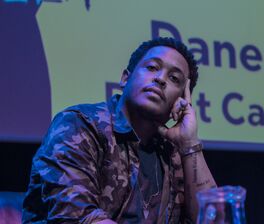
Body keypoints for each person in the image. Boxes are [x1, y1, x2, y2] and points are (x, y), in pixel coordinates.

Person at [22, 37, 217, 224]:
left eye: (174, 78)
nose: (160, 79)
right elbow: (78, 217)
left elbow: (216, 219)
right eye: (152, 67)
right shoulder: (80, 124)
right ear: (125, 78)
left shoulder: (172, 153)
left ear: (181, 100)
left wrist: (189, 144)